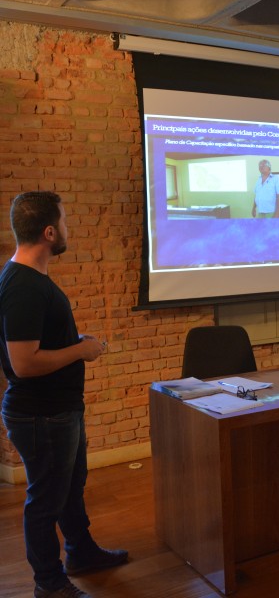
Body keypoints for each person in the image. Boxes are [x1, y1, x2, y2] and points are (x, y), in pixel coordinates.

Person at [0, 192, 128, 598]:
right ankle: (49, 584)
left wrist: (74, 342)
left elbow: (38, 344)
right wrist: (82, 350)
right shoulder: (22, 286)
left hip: (59, 410)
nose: (69, 228)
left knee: (70, 487)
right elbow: (23, 363)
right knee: (45, 501)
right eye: (66, 222)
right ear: (50, 231)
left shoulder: (30, 279)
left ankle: (81, 552)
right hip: (42, 415)